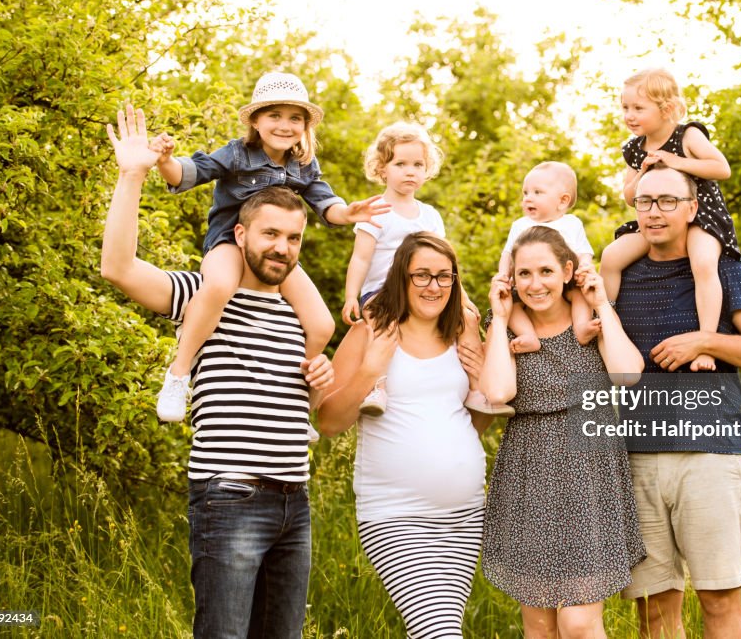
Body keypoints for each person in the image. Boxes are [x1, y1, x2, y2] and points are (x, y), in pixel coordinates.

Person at [101, 105, 335, 638]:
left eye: (293, 238)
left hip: (293, 501)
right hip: (228, 496)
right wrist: (132, 175)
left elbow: (302, 407)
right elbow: (117, 268)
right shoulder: (200, 297)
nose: (281, 247)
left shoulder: (300, 314)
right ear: (240, 235)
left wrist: (317, 390)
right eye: (270, 234)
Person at [148, 71, 389, 422]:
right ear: (257, 121)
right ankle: (179, 374)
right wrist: (165, 161)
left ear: (305, 126)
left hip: (274, 256)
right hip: (231, 243)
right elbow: (189, 173)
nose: (285, 125)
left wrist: (348, 213)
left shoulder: (303, 165)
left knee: (322, 325)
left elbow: (325, 204)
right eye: (274, 115)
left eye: (295, 118)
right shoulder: (237, 154)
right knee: (217, 286)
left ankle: (299, 405)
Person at [614, 164, 741, 639]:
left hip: (709, 456)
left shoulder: (723, 267)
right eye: (645, 201)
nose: (654, 212)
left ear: (693, 209)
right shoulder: (620, 271)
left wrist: (704, 342)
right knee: (653, 608)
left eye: (668, 201)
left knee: (718, 599)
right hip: (636, 459)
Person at [318, 232, 491, 639]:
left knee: (436, 629)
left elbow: (473, 425)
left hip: (463, 517)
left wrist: (481, 379)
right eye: (422, 276)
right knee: (440, 633)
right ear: (401, 277)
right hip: (397, 515)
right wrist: (369, 370)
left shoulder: (460, 337)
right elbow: (328, 422)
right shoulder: (372, 332)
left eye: (444, 276)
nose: (434, 286)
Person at [480, 225, 647, 639]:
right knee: (540, 627)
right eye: (524, 274)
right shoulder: (506, 328)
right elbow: (499, 390)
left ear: (568, 270)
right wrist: (500, 319)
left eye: (546, 271)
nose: (535, 284)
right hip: (529, 476)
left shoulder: (589, 322)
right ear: (511, 278)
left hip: (590, 478)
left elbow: (627, 374)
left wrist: (602, 304)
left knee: (577, 624)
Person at [341, 122, 509, 417]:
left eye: (418, 164)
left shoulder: (429, 215)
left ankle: (476, 388)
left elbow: (446, 265)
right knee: (381, 324)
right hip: (381, 291)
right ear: (382, 169)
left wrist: (465, 299)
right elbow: (361, 259)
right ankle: (377, 387)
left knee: (467, 319)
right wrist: (351, 295)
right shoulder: (375, 210)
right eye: (400, 163)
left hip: (428, 288)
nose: (410, 171)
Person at [600, 68, 737, 373]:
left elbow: (721, 168)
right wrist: (644, 172)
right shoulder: (635, 149)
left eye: (638, 108)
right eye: (625, 107)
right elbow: (628, 195)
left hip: (700, 215)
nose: (629, 115)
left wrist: (677, 162)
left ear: (666, 109)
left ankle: (707, 342)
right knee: (611, 257)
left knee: (703, 263)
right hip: (657, 218)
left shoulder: (687, 135)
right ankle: (606, 325)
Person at [496, 161, 599, 353]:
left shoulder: (571, 223)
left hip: (569, 280)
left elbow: (584, 250)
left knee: (579, 296)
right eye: (525, 193)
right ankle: (528, 335)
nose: (528, 199)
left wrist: (585, 266)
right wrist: (503, 274)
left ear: (562, 201)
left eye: (537, 193)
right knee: (513, 306)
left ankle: (581, 328)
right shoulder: (521, 225)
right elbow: (507, 253)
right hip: (529, 284)